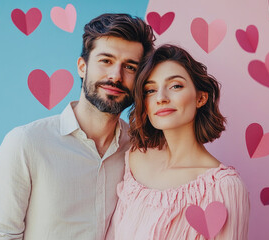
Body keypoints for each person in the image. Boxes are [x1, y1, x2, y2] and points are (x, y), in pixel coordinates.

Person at [0, 14, 155, 240]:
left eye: (130, 67)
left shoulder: (140, 151)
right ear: (82, 67)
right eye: (106, 61)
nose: (116, 76)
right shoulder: (26, 143)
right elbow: (0, 236)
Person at [106, 45, 250, 240]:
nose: (161, 98)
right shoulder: (134, 159)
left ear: (200, 98)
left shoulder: (224, 187)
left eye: (175, 86)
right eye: (150, 90)